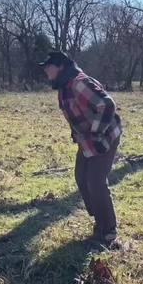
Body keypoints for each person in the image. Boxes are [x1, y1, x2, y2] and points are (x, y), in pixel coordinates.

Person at [39, 51, 122, 246]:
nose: (45, 71)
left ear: (59, 66)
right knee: (81, 176)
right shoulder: (64, 86)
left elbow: (107, 105)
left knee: (95, 181)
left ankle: (108, 231)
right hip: (88, 140)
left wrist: (95, 133)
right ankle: (100, 222)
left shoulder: (78, 83)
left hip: (105, 137)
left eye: (48, 66)